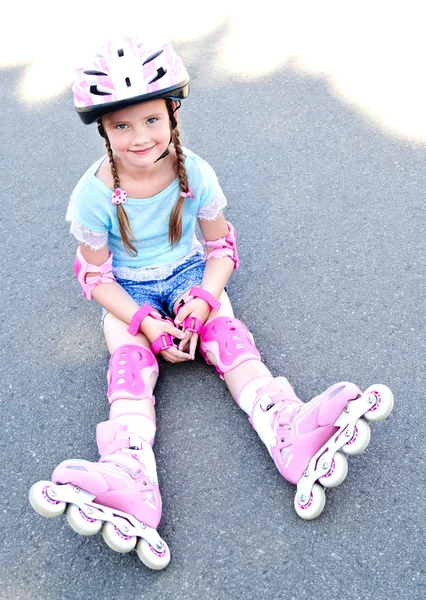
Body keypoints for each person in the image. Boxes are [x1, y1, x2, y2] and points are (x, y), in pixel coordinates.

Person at [29, 35, 394, 570]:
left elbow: (221, 248)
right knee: (127, 359)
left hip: (189, 277)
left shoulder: (194, 173)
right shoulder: (92, 196)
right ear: (103, 130)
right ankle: (129, 472)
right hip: (127, 295)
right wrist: (147, 324)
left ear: (172, 111)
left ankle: (287, 428)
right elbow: (96, 279)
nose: (138, 137)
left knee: (228, 335)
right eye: (121, 125)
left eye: (151, 119)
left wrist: (202, 300)